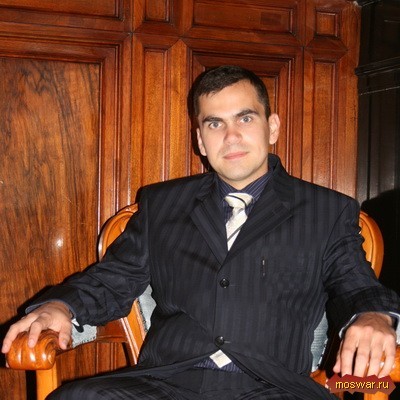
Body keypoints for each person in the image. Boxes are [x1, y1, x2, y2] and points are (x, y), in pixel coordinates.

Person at [2, 65, 400, 400]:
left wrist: (373, 315)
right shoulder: (162, 204)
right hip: (167, 382)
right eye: (215, 123)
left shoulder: (327, 211)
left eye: (245, 118)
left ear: (272, 127)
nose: (231, 136)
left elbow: (355, 284)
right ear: (200, 140)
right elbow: (112, 280)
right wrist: (62, 307)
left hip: (274, 387)